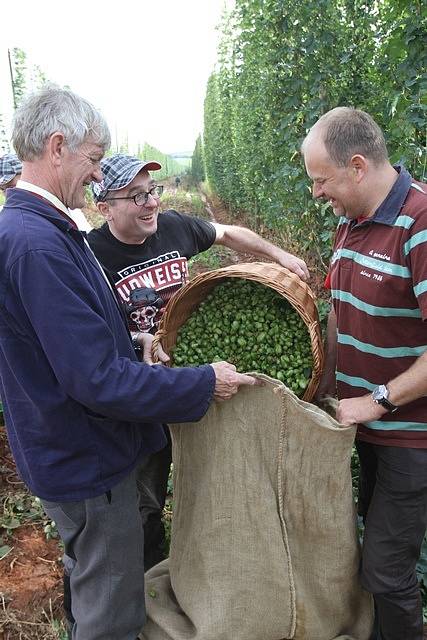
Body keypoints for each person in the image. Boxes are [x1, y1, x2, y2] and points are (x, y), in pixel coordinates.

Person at [0, 85, 258, 640]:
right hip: (87, 459)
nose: (97, 178)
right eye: (94, 161)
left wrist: (130, 343)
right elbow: (94, 380)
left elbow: (75, 343)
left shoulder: (41, 229)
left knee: (92, 580)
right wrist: (202, 383)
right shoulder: (38, 244)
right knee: (111, 612)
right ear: (57, 146)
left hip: (69, 448)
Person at [88, 153, 310, 570]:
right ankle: (149, 576)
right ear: (105, 208)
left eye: (152, 191)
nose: (151, 203)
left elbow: (229, 233)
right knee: (145, 494)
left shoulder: (174, 227)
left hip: (197, 380)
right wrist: (139, 339)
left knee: (210, 480)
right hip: (142, 392)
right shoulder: (92, 257)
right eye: (135, 197)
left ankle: (210, 563)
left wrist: (279, 255)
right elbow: (93, 335)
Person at [301, 106, 427, 640]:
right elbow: (339, 311)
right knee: (364, 550)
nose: (316, 193)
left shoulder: (419, 225)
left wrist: (377, 399)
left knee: (386, 571)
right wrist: (322, 384)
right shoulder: (350, 224)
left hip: (409, 435)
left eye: (320, 180)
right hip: (363, 428)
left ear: (357, 166)